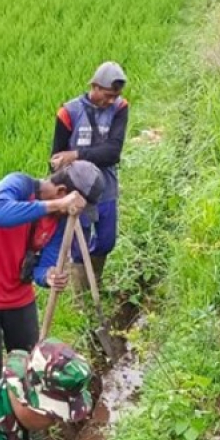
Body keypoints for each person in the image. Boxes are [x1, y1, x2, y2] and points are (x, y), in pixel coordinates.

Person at [0, 163, 105, 390]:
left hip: (18, 295)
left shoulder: (59, 220)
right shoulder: (17, 185)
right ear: (63, 193)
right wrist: (55, 205)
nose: (72, 214)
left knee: (29, 365)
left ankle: (26, 420)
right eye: (73, 205)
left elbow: (43, 266)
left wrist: (49, 275)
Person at [50, 61, 129, 284]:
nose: (111, 100)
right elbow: (56, 156)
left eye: (115, 95)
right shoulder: (68, 112)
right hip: (78, 191)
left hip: (106, 186)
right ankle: (82, 298)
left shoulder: (120, 108)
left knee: (106, 241)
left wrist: (75, 155)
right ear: (94, 87)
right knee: (78, 245)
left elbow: (113, 152)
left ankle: (95, 278)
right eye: (107, 95)